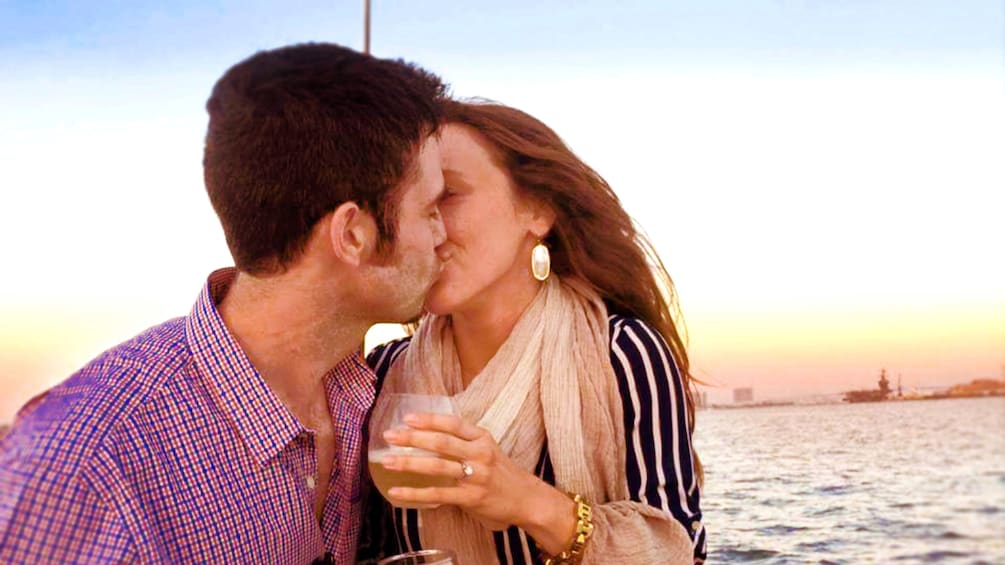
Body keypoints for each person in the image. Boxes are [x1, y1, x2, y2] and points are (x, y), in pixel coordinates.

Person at [0, 43, 448, 564]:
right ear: (352, 234)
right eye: (431, 208)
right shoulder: (85, 468)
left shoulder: (354, 393)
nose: (442, 234)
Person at [360, 100, 706, 564]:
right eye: (415, 204)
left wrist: (523, 499)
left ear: (537, 210)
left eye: (449, 194)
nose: (429, 227)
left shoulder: (622, 352)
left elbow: (683, 552)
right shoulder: (384, 371)